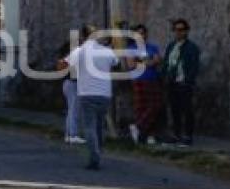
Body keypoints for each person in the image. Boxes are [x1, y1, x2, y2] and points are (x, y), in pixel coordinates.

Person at [60, 25, 118, 170]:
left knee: (89, 126)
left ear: (83, 36)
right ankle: (99, 148)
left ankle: (94, 157)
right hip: (105, 94)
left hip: (87, 93)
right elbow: (116, 64)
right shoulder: (107, 51)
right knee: (99, 125)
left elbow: (62, 66)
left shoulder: (79, 51)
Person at [162, 19, 201, 146]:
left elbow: (194, 66)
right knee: (175, 109)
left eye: (181, 30)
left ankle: (187, 135)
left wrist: (188, 80)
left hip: (184, 82)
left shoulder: (191, 47)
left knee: (187, 110)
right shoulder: (171, 46)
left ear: (186, 31)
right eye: (176, 30)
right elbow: (166, 63)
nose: (179, 32)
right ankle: (176, 134)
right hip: (172, 82)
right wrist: (164, 77)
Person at [127, 24, 164, 145]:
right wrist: (149, 62)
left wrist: (140, 61)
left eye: (143, 33)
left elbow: (158, 60)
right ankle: (143, 135)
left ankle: (139, 128)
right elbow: (131, 65)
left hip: (152, 79)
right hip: (139, 80)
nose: (141, 35)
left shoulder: (152, 47)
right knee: (141, 108)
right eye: (139, 33)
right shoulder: (131, 48)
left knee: (156, 105)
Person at [59, 41, 85, 144]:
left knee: (72, 109)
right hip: (73, 84)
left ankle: (69, 134)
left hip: (69, 83)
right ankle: (72, 134)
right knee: (74, 110)